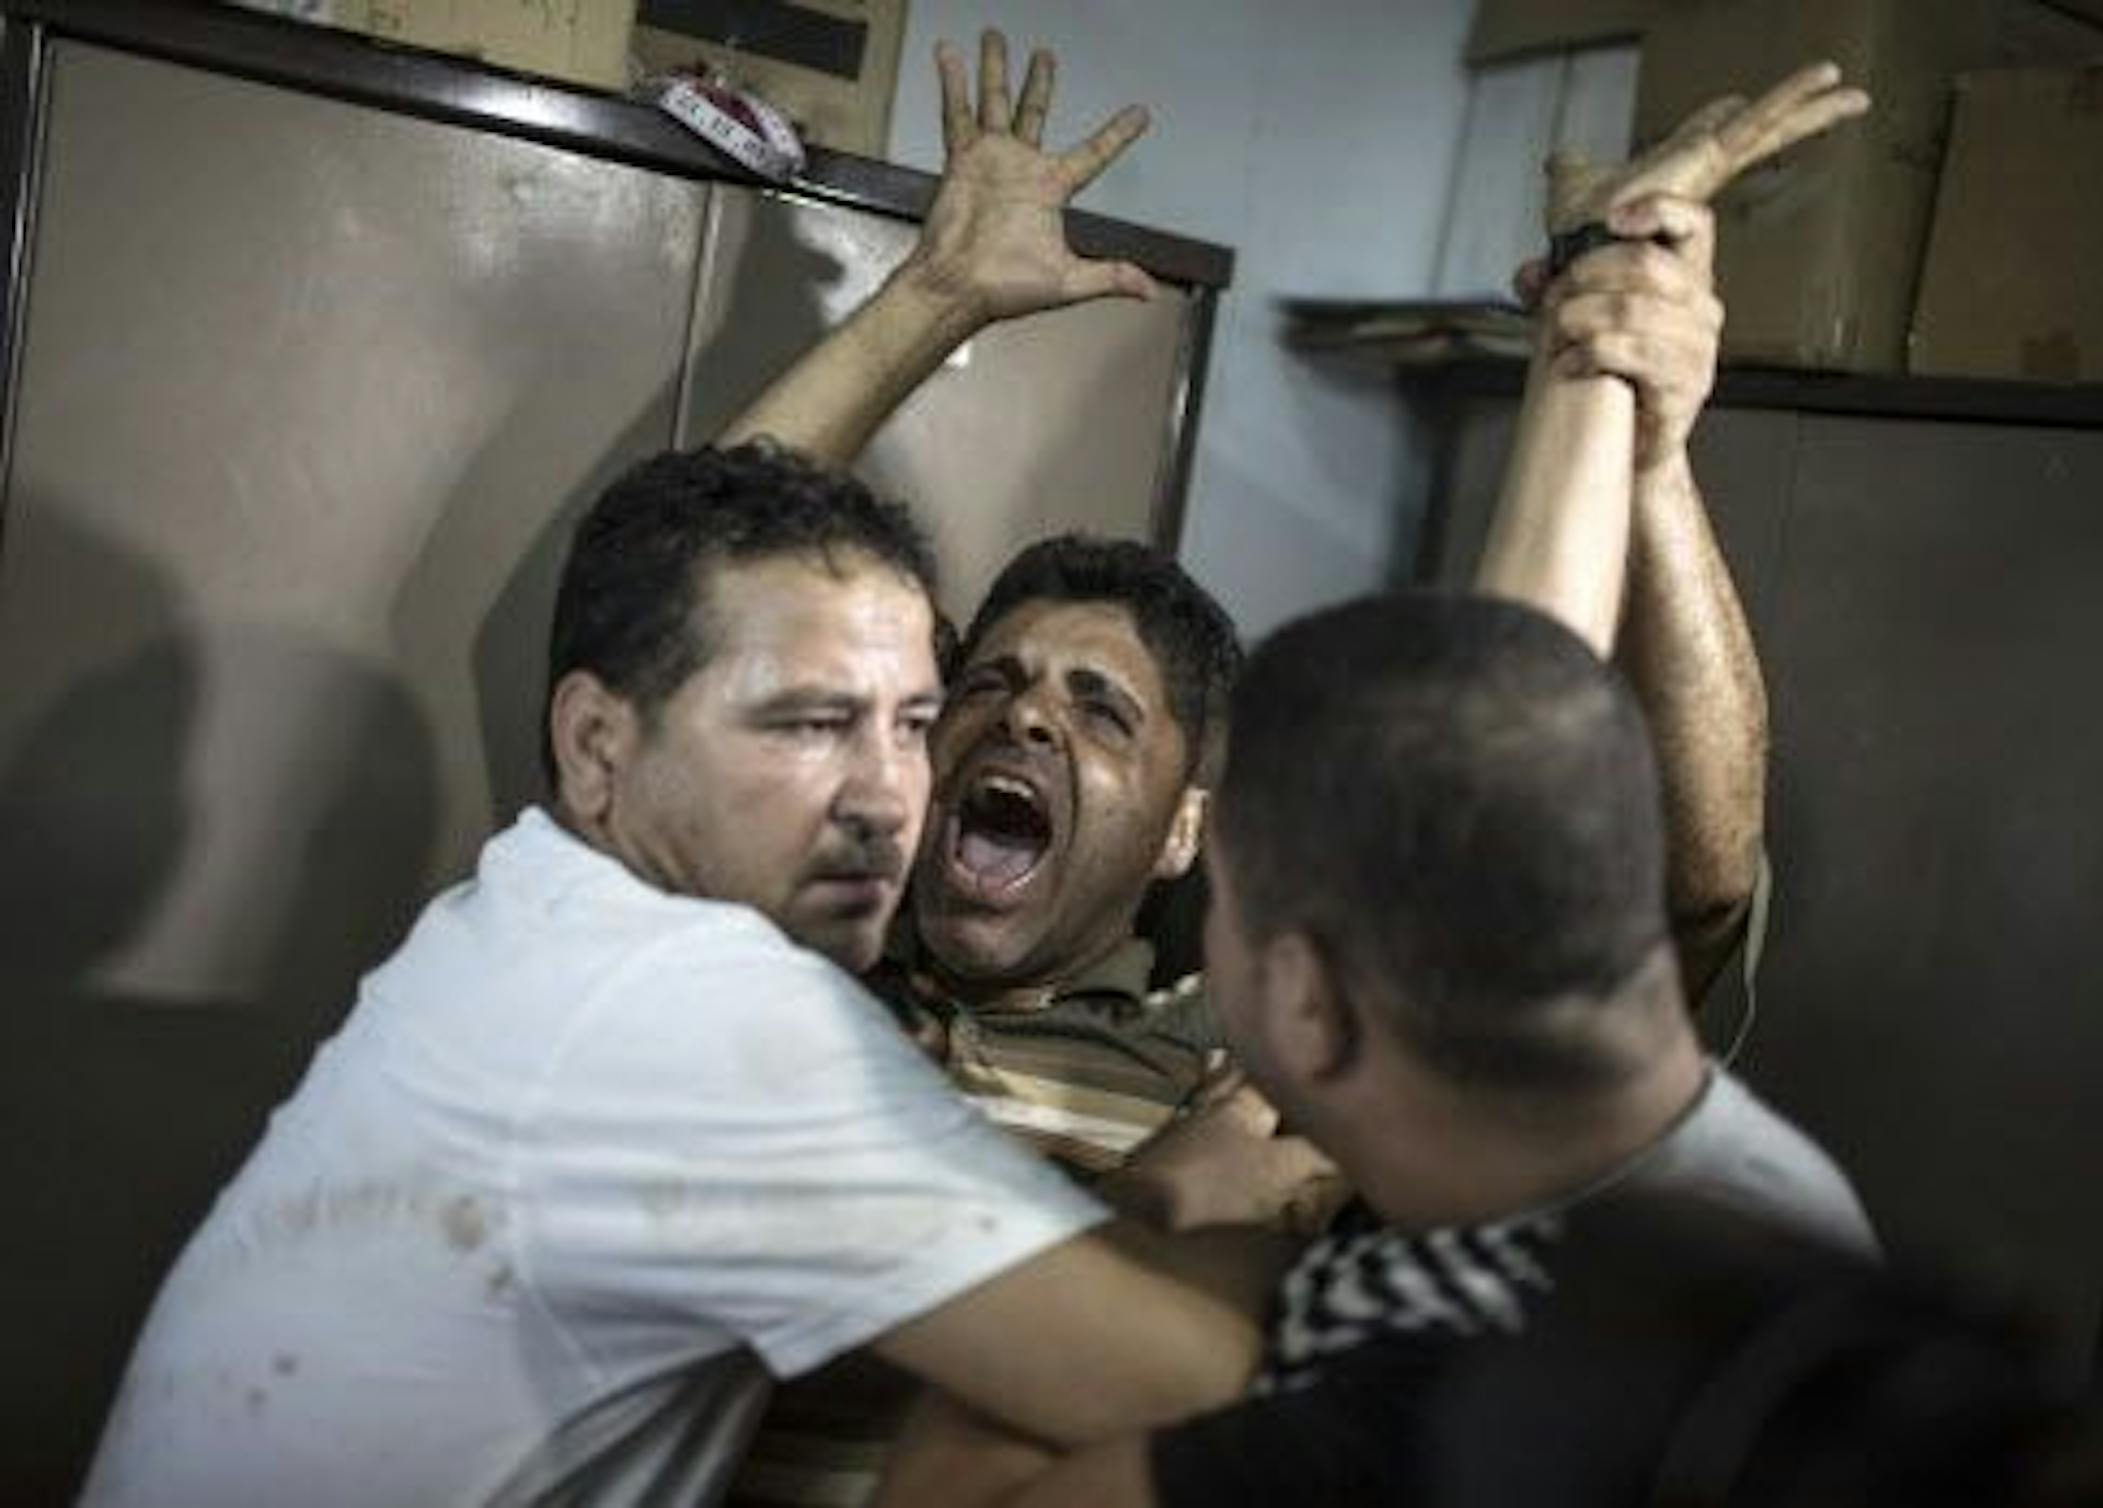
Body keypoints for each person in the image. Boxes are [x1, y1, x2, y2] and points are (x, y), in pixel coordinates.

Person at [864, 63, 1880, 1508]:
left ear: (1195, 850)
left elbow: (1651, 856)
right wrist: (1596, 358)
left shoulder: (1267, 1121)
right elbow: (1494, 747)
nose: (1026, 718)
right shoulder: (799, 986)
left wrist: (1172, 1201)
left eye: (1100, 711)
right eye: (991, 685)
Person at [78, 445, 1283, 1507]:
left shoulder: (539, 905)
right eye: (808, 723)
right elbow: (1176, 1376)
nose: (884, 797)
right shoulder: (701, 1014)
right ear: (598, 744)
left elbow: (669, 600)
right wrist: (1193, 1189)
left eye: (910, 721)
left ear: (1186, 827)